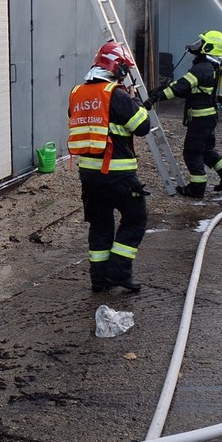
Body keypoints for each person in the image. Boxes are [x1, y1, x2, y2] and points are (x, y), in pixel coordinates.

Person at [67, 41, 152, 293]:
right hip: (118, 173)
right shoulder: (116, 94)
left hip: (88, 174)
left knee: (100, 224)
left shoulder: (77, 93)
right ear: (119, 68)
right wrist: (135, 101)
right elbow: (142, 127)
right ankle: (119, 271)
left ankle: (99, 278)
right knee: (135, 219)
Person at [148, 30, 222, 198]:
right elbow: (189, 89)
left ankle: (197, 189)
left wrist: (157, 97)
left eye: (201, 43)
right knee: (207, 150)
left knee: (192, 152)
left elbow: (181, 86)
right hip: (208, 117)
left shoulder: (202, 68)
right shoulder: (210, 66)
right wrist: (162, 89)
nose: (197, 45)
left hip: (200, 118)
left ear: (208, 47)